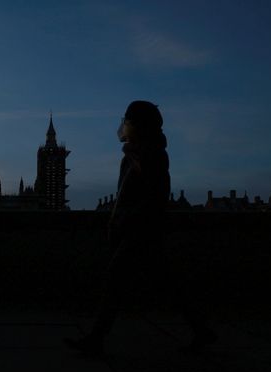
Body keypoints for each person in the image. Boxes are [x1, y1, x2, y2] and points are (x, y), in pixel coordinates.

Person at [63, 100, 217, 356]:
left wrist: (128, 220)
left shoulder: (148, 155)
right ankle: (201, 330)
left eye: (127, 120)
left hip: (140, 231)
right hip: (142, 230)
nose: (123, 126)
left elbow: (152, 196)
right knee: (167, 283)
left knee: (117, 280)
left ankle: (96, 339)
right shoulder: (139, 152)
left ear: (138, 125)